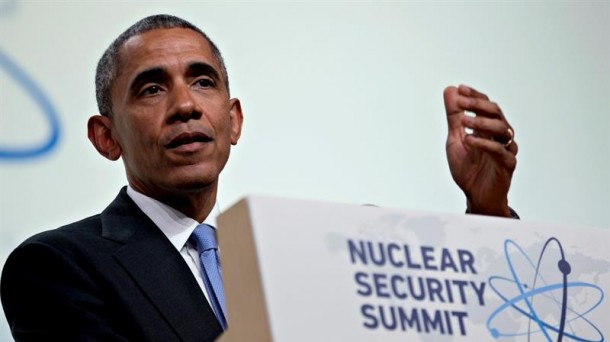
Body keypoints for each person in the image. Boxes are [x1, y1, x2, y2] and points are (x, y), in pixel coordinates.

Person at [0, 14, 517, 342]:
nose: (185, 105)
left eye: (203, 82)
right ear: (105, 137)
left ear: (234, 120)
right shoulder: (55, 267)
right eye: (151, 89)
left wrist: (487, 212)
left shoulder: (300, 256)